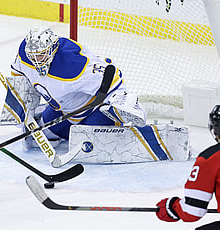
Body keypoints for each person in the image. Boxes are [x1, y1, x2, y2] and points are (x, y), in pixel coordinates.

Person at [10, 25, 146, 144]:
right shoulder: (25, 54)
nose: (36, 60)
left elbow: (111, 76)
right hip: (67, 111)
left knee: (95, 143)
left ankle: (122, 115)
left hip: (94, 109)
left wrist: (122, 100)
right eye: (33, 56)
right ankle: (42, 111)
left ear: (52, 49)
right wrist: (20, 110)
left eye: (41, 55)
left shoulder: (73, 65)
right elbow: (19, 77)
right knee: (41, 136)